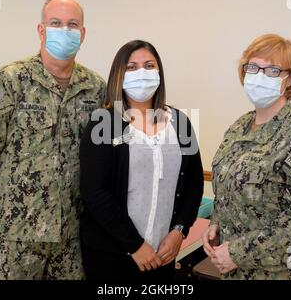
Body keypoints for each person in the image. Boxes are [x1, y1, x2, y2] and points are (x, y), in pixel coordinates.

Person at [0, 0, 106, 279]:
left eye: (72, 24)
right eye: (56, 23)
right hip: (13, 234)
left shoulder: (95, 89)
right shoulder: (10, 81)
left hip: (71, 238)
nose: (65, 30)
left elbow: (106, 159)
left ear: (83, 34)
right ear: (41, 30)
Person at [202, 34, 291, 280]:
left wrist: (238, 253)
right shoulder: (239, 127)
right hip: (232, 272)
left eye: (272, 70)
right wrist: (215, 223)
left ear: (290, 78)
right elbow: (228, 187)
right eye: (253, 67)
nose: (259, 75)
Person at [79, 40, 203, 281]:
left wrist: (179, 231)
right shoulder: (105, 122)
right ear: (119, 75)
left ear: (159, 72)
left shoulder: (181, 123)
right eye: (132, 67)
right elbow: (94, 191)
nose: (142, 73)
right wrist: (135, 245)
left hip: (163, 254)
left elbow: (194, 183)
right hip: (112, 256)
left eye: (149, 65)